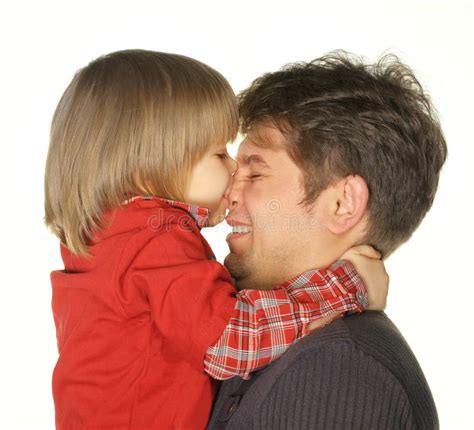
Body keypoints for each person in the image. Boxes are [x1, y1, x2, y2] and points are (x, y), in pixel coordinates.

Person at [44, 49, 388, 429]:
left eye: (252, 173)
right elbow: (234, 340)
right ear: (151, 165)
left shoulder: (111, 240)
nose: (233, 171)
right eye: (219, 153)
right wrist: (345, 285)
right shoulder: (153, 242)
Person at [208, 51, 446, 429]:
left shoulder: (340, 369)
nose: (227, 194)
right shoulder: (262, 343)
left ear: (342, 203)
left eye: (254, 175)